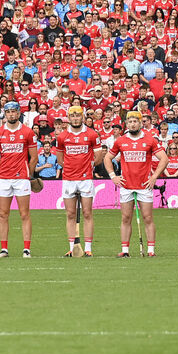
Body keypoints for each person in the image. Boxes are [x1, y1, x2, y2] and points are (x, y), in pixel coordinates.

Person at [105, 111, 167, 257]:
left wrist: (154, 177)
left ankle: (151, 250)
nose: (132, 124)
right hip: (126, 185)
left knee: (148, 217)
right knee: (126, 218)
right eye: (130, 121)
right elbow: (107, 158)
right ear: (126, 123)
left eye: (135, 121)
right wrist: (113, 176)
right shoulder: (120, 141)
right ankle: (125, 250)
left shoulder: (150, 140)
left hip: (144, 185)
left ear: (140, 123)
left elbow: (164, 159)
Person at [55, 105, 103, 256]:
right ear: (68, 118)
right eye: (72, 116)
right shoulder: (62, 136)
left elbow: (99, 155)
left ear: (82, 117)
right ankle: (72, 247)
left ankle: (88, 249)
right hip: (69, 179)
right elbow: (60, 159)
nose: (75, 118)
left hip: (85, 179)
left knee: (87, 213)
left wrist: (90, 165)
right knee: (70, 214)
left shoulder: (91, 134)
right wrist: (70, 167)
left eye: (78, 116)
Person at [0, 102, 38, 258]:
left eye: (14, 112)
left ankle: (27, 249)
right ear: (5, 113)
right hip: (4, 178)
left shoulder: (27, 132)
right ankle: (4, 249)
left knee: (24, 214)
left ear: (19, 113)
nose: (11, 114)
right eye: (8, 112)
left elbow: (34, 157)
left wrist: (28, 175)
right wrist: (4, 169)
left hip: (21, 178)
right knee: (3, 214)